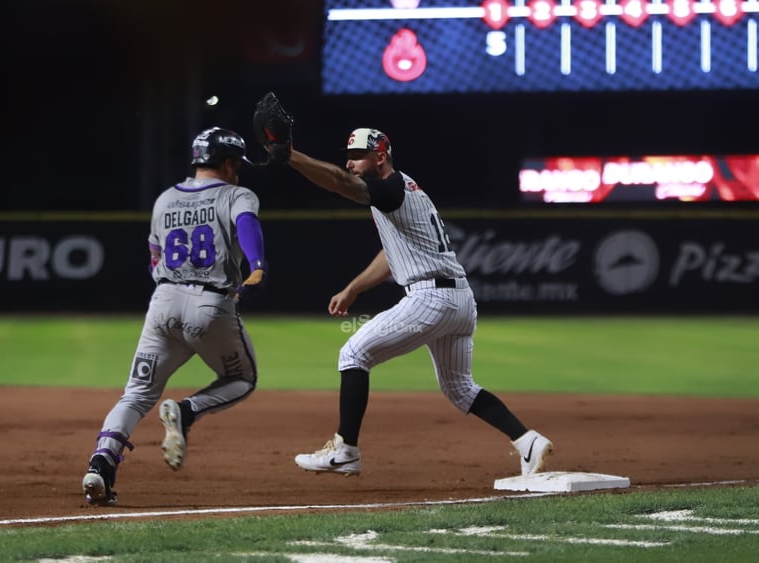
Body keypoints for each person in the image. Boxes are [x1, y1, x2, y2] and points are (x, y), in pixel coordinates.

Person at [272, 125, 552, 477]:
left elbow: (342, 184)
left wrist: (292, 156)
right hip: (460, 299)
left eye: (358, 156)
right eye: (349, 156)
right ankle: (528, 442)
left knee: (354, 354)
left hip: (430, 297)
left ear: (380, 156)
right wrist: (355, 288)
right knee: (460, 388)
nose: (351, 162)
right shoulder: (403, 190)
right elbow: (393, 255)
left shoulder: (389, 188)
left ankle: (345, 450)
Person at [82, 127, 267, 505]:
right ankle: (186, 411)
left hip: (163, 302)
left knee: (136, 394)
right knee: (242, 378)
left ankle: (101, 463)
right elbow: (248, 224)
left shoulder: (165, 198)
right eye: (238, 164)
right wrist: (258, 264)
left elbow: (153, 255)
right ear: (229, 163)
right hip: (210, 305)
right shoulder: (236, 194)